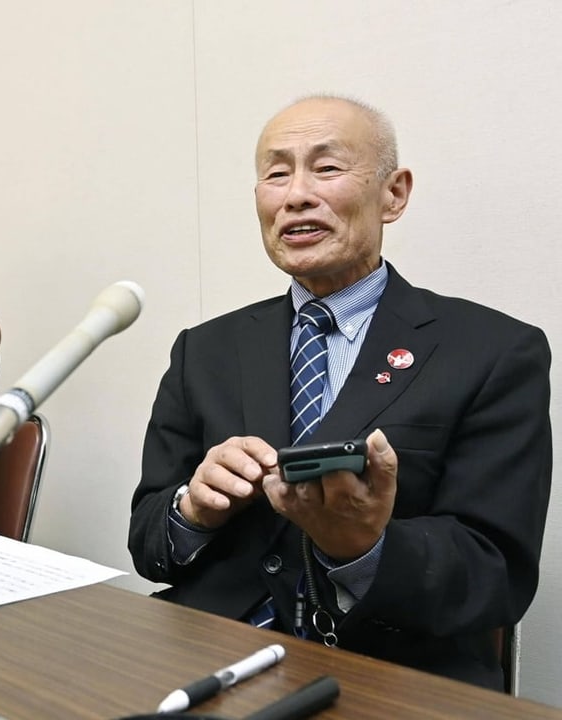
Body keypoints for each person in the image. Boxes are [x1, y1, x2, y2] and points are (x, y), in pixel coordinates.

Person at [128, 95, 552, 691]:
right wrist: (192, 511)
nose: (296, 194)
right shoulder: (205, 350)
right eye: (276, 173)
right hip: (210, 657)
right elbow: (148, 543)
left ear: (394, 194)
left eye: (326, 168)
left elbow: (496, 576)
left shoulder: (494, 351)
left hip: (391, 673)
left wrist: (364, 547)